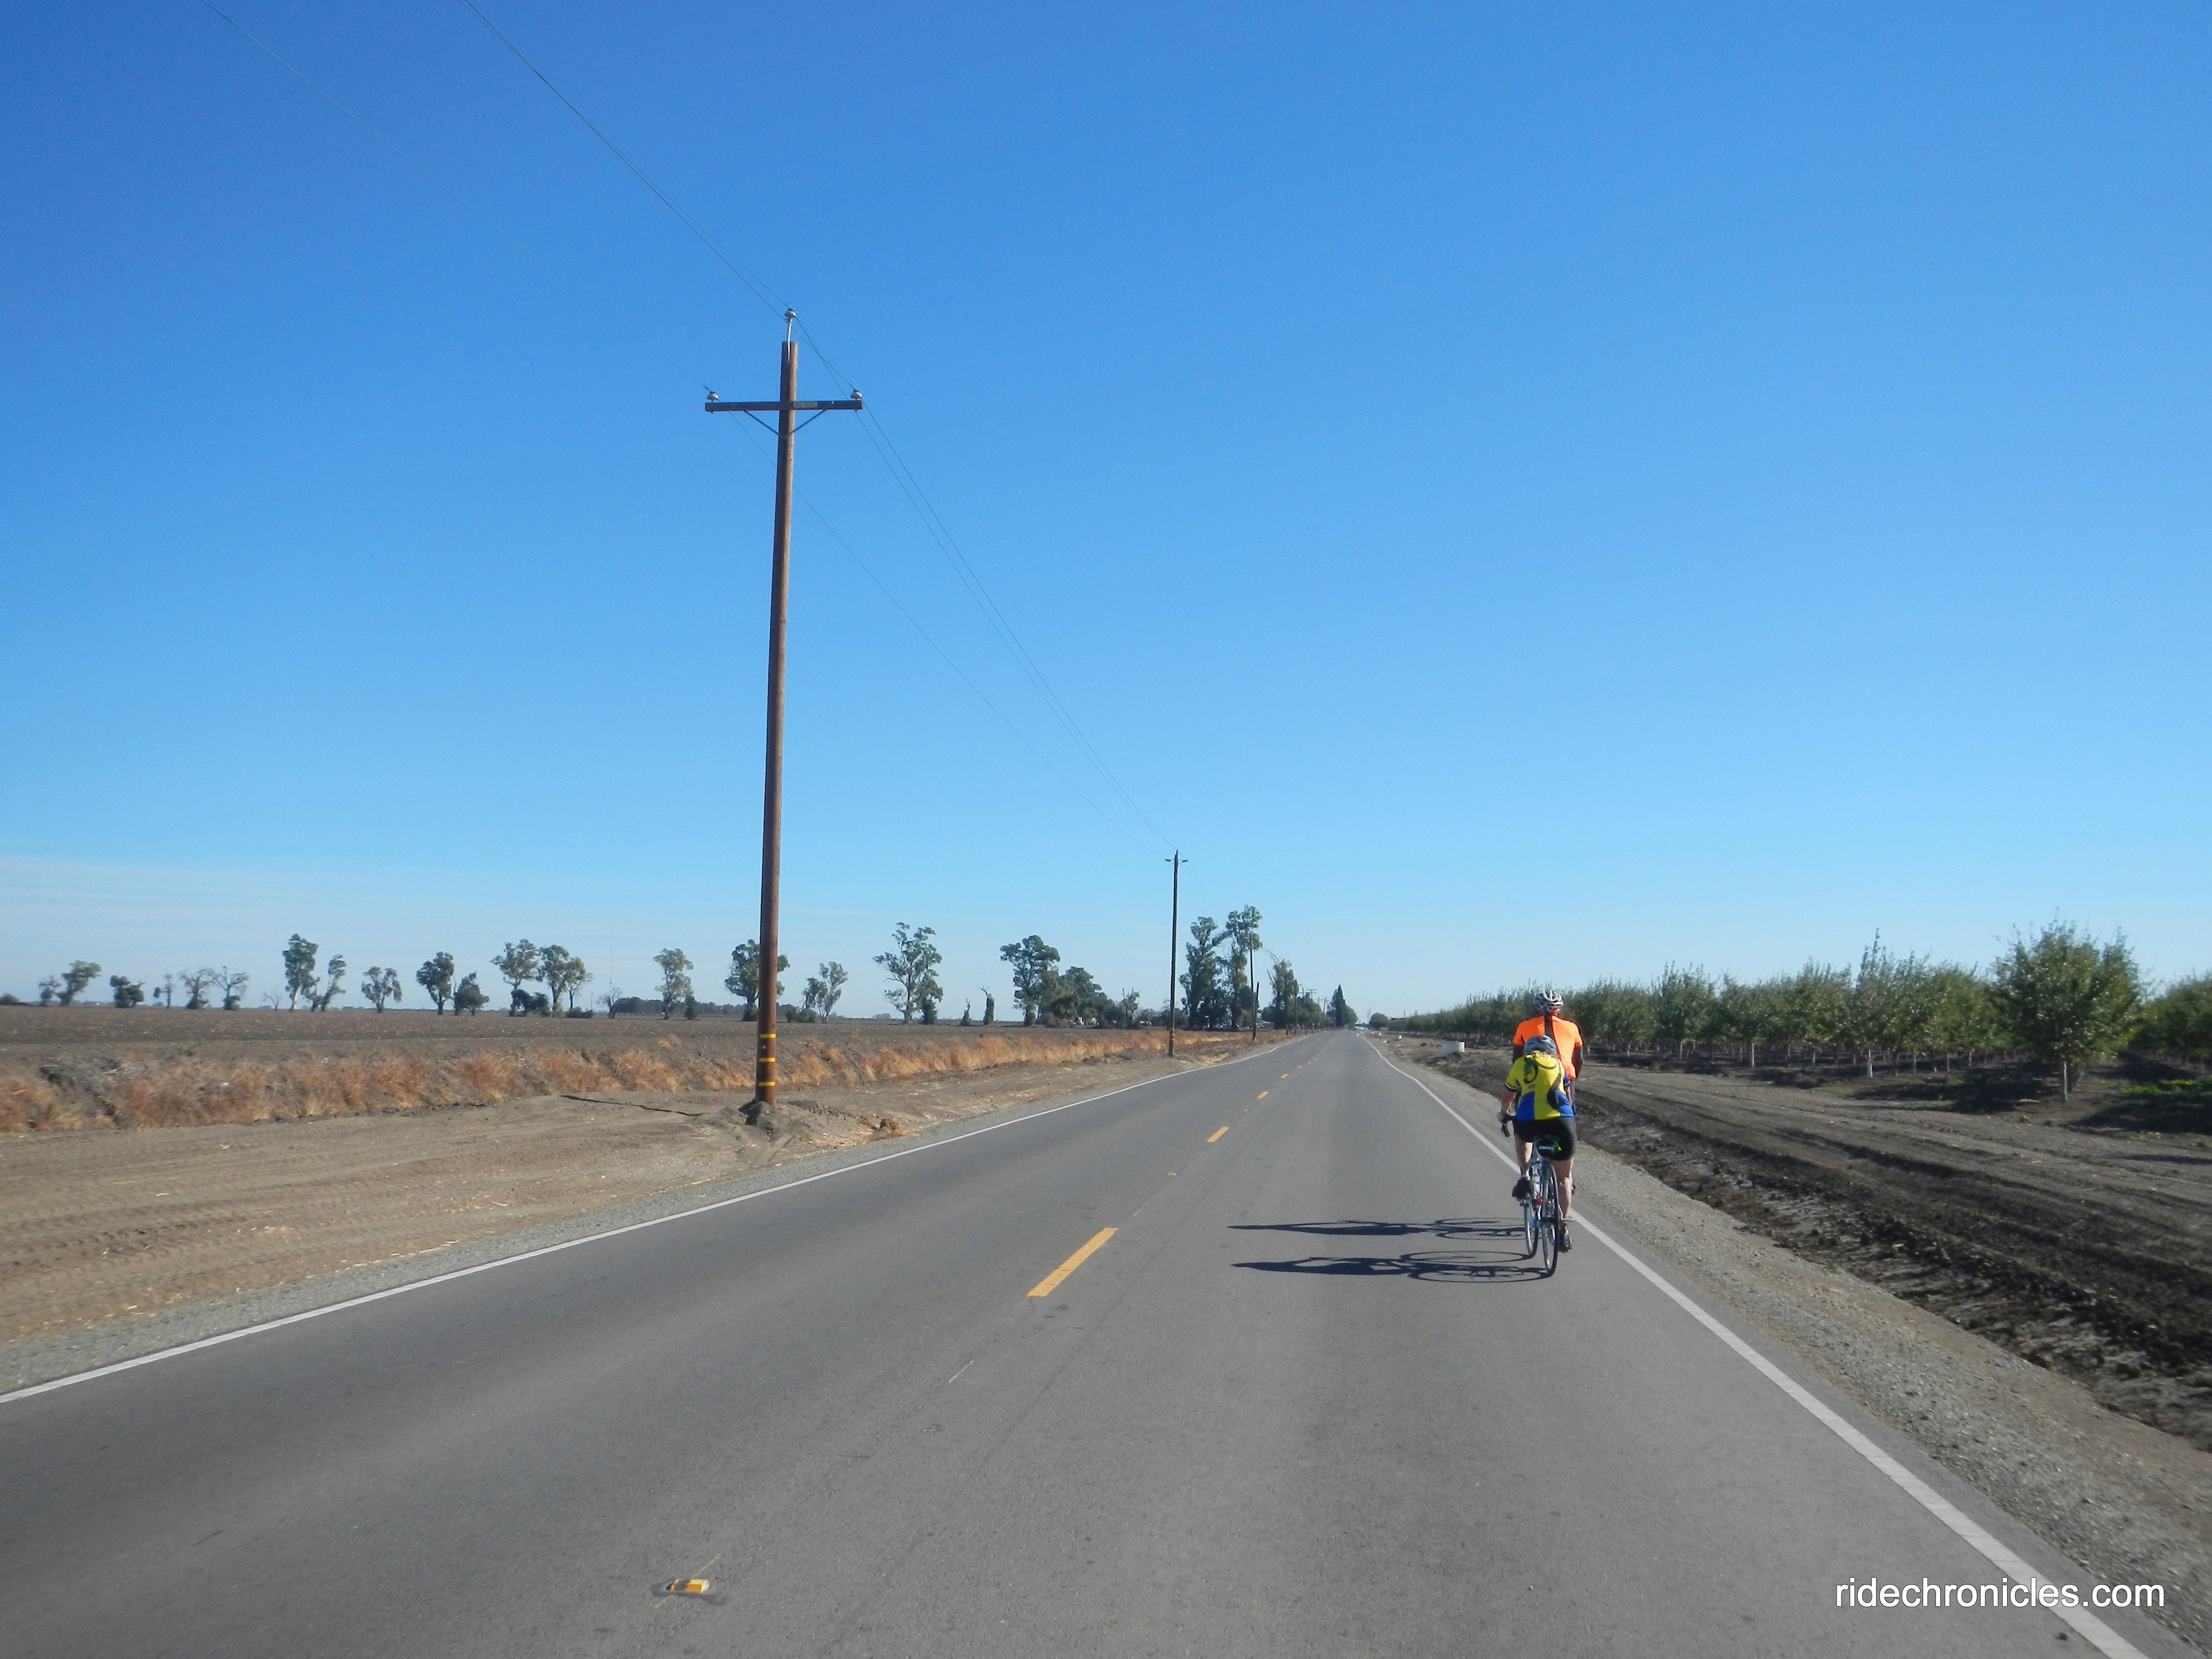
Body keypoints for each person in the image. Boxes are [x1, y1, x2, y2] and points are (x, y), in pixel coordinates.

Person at [1498, 1032, 1577, 1249]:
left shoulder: (1522, 1064)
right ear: (1552, 1052)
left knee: (1522, 1137)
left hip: (1529, 1121)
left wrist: (1504, 1114)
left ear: (1528, 1051)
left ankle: (1525, 1176)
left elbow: (1508, 1096)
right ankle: (1563, 1228)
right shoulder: (1559, 1065)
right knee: (1565, 1178)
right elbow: (1568, 1095)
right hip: (1561, 1121)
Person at [1511, 988, 1584, 1082]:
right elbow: (1579, 1060)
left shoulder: (1524, 1026)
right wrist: (1572, 1079)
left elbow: (1517, 1058)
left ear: (1537, 1008)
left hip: (1536, 1075)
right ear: (1559, 1009)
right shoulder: (1573, 1027)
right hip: (1565, 1075)